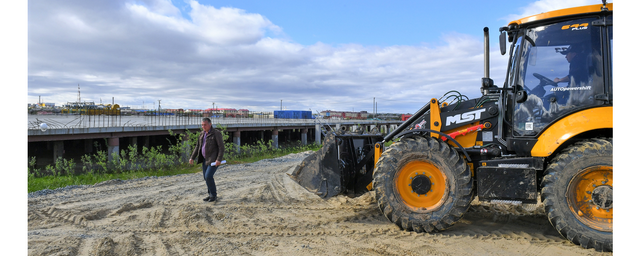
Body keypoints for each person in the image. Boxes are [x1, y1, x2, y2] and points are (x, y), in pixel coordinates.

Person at [189, 118, 225, 202]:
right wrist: (192, 157)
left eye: (205, 125)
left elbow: (221, 148)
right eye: (202, 125)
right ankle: (210, 194)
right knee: (206, 178)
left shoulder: (216, 133)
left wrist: (219, 159)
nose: (203, 126)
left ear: (210, 124)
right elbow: (197, 147)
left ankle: (213, 196)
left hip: (213, 160)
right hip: (205, 159)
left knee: (208, 176)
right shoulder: (202, 134)